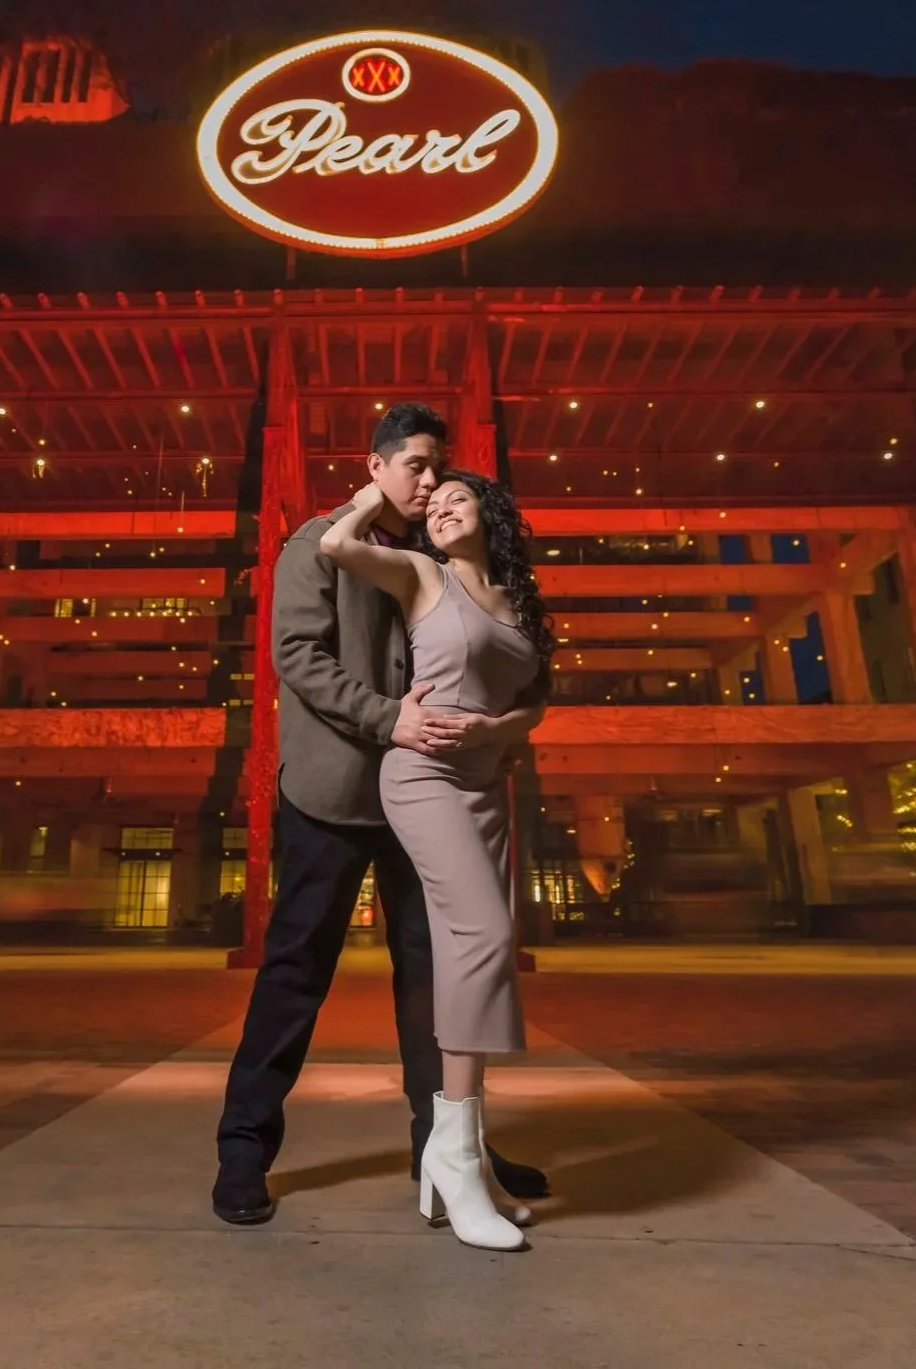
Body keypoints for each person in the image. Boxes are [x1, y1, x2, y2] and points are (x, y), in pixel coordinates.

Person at [213, 404, 548, 1227]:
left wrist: (491, 733)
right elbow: (297, 657)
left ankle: (445, 1143)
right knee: (295, 972)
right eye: (416, 465)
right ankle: (243, 1149)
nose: (430, 481)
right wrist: (389, 717)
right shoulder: (317, 543)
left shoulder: (439, 556)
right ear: (375, 466)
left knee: (436, 975)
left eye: (439, 467)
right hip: (332, 794)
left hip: (430, 798)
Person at [319, 468, 554, 1250]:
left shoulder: (518, 603)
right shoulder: (423, 574)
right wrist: (371, 495)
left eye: (460, 498)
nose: (444, 506)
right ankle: (452, 1155)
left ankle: (463, 1156)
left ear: (491, 515)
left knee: (478, 951)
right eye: (436, 502)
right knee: (481, 936)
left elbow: (535, 701)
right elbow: (336, 544)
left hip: (485, 783)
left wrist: (494, 731)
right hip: (422, 774)